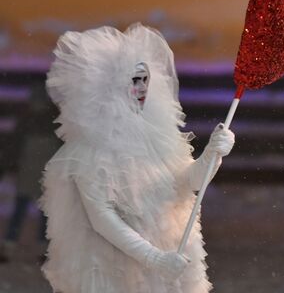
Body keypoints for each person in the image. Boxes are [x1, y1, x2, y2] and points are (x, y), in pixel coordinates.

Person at [40, 24, 235, 293]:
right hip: (117, 265)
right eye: (134, 80)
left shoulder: (158, 131)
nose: (142, 87)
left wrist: (213, 154)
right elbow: (102, 217)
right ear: (111, 84)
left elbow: (188, 181)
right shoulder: (91, 146)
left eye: (145, 79)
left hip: (168, 252)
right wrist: (154, 258)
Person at [0, 83, 61, 263]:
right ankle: (43, 250)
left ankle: (8, 247)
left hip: (27, 172)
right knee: (44, 214)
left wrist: (8, 167)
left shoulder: (25, 121)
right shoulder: (54, 121)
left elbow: (13, 148)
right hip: (46, 174)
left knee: (19, 211)